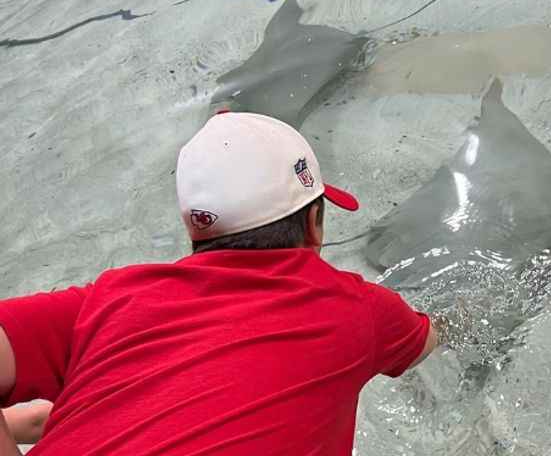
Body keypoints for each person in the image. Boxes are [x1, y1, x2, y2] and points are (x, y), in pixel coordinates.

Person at [0, 112, 438, 455]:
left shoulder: (111, 299)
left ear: (196, 232)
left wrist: (32, 426)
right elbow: (431, 339)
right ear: (314, 223)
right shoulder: (357, 307)